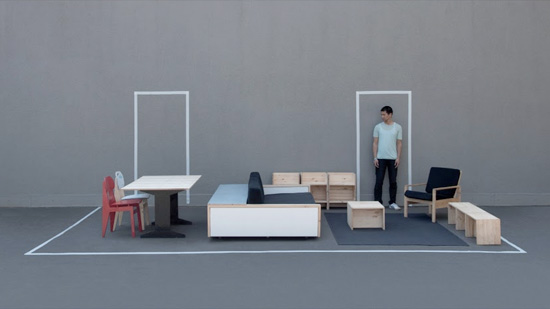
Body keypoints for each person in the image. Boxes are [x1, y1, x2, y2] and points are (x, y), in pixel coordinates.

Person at [373, 106, 402, 210]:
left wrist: (398, 158)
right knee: (379, 181)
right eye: (381, 114)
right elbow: (375, 143)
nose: (382, 116)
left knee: (393, 181)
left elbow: (399, 143)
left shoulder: (398, 127)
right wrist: (375, 157)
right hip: (380, 159)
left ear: (390, 114)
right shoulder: (378, 127)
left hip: (393, 159)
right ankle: (377, 202)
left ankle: (392, 202)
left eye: (384, 114)